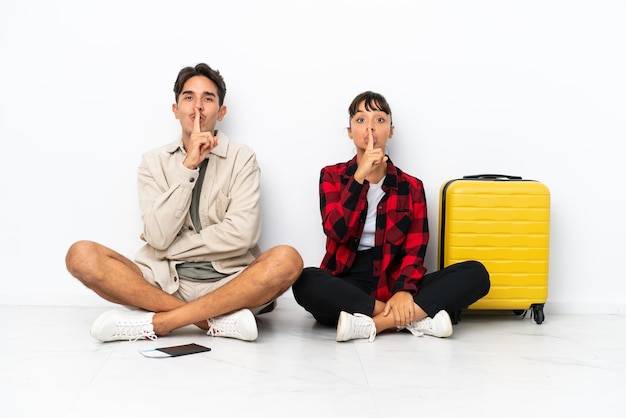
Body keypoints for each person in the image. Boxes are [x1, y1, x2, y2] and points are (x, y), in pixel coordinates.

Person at [66, 63, 303, 343]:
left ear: (222, 112)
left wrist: (167, 247)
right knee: (80, 255)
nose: (198, 107)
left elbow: (243, 234)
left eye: (208, 98)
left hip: (230, 283)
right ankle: (211, 321)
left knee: (287, 260)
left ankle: (162, 322)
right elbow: (157, 234)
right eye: (189, 98)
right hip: (162, 283)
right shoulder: (153, 162)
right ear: (176, 110)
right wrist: (188, 165)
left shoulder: (243, 159)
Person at [292, 91, 490, 342]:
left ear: (391, 131)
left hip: (396, 279)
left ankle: (372, 324)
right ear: (350, 132)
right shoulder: (332, 175)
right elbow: (336, 231)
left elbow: (415, 250)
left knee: (476, 273)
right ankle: (412, 318)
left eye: (380, 120)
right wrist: (359, 178)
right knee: (305, 281)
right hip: (348, 280)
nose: (371, 128)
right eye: (361, 120)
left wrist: (404, 291)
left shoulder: (412, 186)